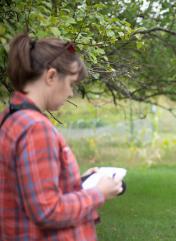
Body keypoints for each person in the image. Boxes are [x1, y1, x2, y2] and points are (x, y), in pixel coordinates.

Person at [0, 33, 124, 240]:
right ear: (51, 76)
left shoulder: (10, 118)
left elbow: (29, 190)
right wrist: (98, 193)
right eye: (71, 83)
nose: (71, 93)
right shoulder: (36, 128)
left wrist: (77, 183)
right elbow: (47, 211)